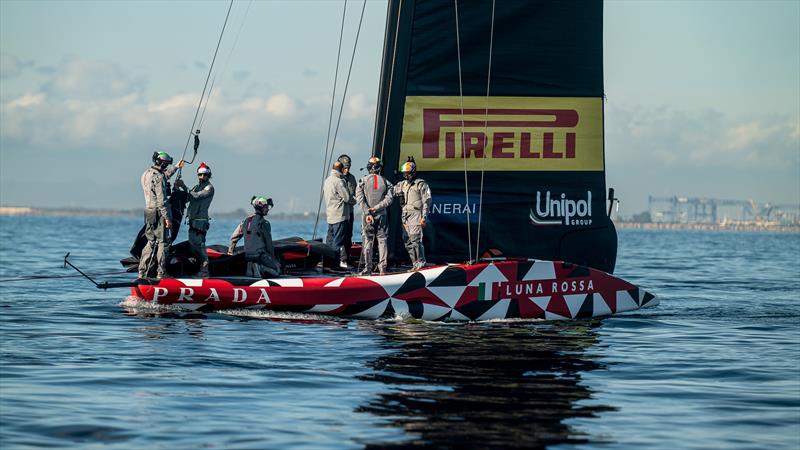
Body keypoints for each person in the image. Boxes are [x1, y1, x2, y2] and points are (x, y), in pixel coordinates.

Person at [138, 151, 185, 279]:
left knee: (151, 241)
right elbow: (162, 200)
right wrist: (167, 218)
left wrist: (175, 167)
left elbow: (162, 178)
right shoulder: (159, 177)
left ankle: (141, 271)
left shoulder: (146, 174)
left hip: (148, 212)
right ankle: (161, 272)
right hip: (159, 213)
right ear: (162, 163)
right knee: (163, 243)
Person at [175, 162, 215, 277]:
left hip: (201, 222)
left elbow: (196, 196)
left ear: (209, 175)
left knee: (199, 245)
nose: (202, 177)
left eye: (205, 175)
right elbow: (188, 197)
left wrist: (184, 186)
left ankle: (204, 271)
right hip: (192, 220)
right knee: (193, 245)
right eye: (200, 175)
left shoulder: (209, 188)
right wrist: (178, 189)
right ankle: (196, 268)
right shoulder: (196, 187)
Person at [355, 156, 393, 275]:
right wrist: (377, 208)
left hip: (368, 217)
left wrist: (368, 211)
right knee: (382, 241)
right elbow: (389, 199)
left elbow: (360, 199)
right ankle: (383, 268)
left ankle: (368, 268)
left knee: (368, 241)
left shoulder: (362, 181)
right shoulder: (386, 182)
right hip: (381, 215)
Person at [393, 157, 432, 270]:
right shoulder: (401, 185)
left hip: (416, 214)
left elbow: (427, 201)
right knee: (407, 241)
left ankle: (421, 262)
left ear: (413, 172)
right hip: (405, 215)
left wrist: (424, 217)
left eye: (407, 173)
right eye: (404, 173)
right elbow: (390, 192)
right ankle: (415, 263)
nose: (405, 175)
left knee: (415, 240)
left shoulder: (420, 184)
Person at [228, 196, 281, 278]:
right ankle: (261, 268)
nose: (267, 209)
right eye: (266, 207)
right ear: (261, 207)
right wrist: (273, 260)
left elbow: (233, 238)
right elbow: (269, 244)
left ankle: (253, 269)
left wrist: (230, 252)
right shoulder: (264, 223)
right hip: (260, 255)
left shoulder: (245, 221)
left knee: (251, 273)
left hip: (248, 256)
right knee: (277, 271)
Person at [324, 160, 356, 269]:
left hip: (330, 216)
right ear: (341, 169)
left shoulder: (327, 180)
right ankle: (334, 266)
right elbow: (347, 198)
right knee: (338, 242)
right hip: (340, 216)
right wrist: (355, 201)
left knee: (329, 241)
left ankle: (326, 264)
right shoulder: (339, 181)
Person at [337, 154, 357, 260]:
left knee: (348, 236)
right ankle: (340, 259)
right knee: (340, 236)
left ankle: (346, 258)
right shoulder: (337, 179)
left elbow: (355, 193)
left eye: (348, 167)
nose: (347, 169)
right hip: (340, 213)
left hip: (350, 212)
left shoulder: (352, 178)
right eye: (345, 167)